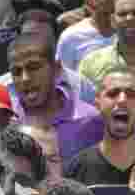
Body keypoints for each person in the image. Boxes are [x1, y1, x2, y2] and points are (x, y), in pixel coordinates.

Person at [7, 32, 103, 167]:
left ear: (56, 69)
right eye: (17, 72)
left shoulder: (90, 120)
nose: (25, 78)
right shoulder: (6, 120)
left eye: (33, 67)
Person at [66, 68, 135, 187]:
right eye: (113, 94)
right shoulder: (76, 169)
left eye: (131, 94)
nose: (122, 100)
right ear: (97, 104)